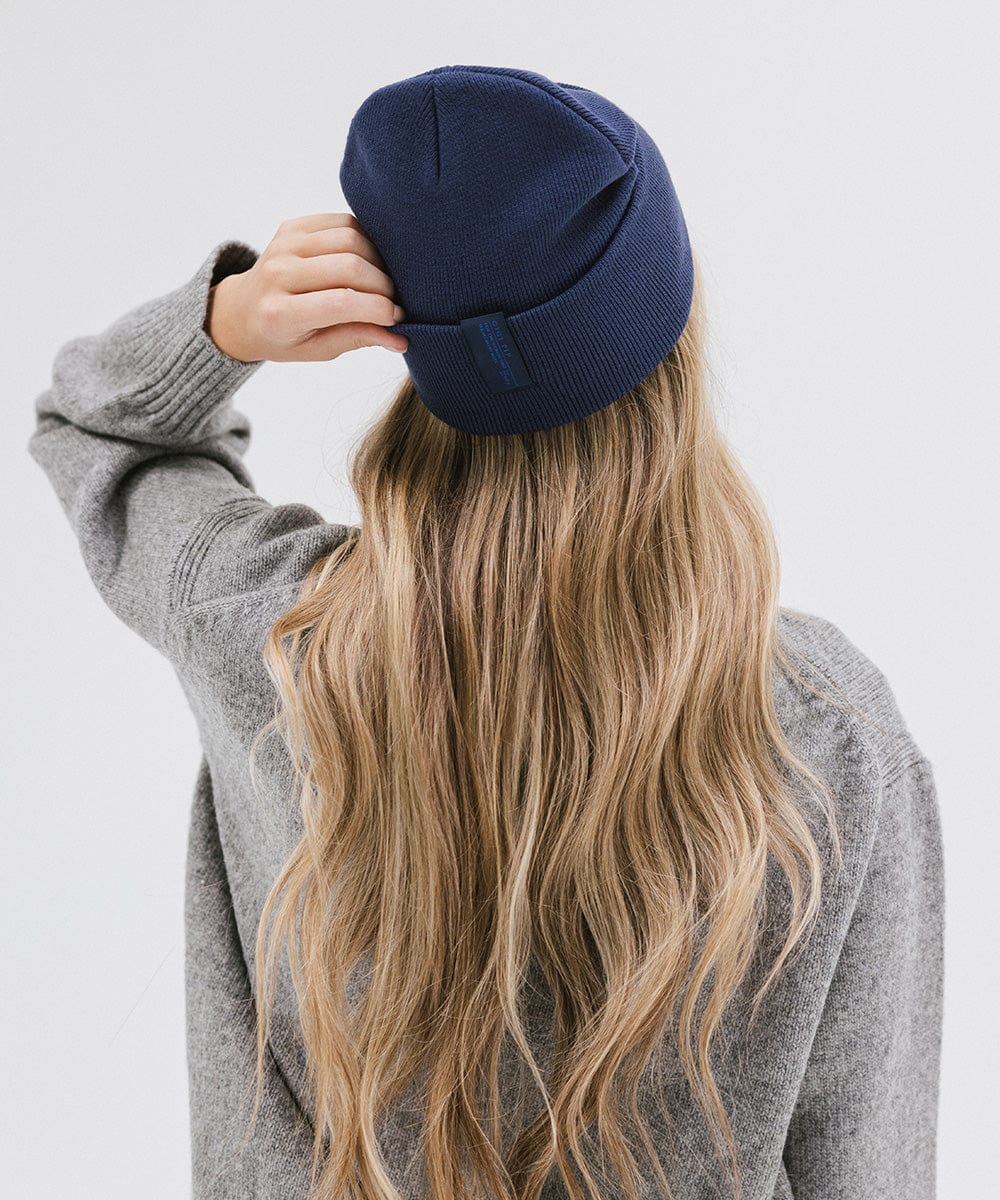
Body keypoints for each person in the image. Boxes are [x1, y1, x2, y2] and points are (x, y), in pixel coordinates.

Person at [27, 64, 944, 1200]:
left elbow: (88, 427)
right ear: (673, 339)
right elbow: (871, 1173)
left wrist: (229, 322)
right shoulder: (829, 732)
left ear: (410, 343)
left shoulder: (261, 625)